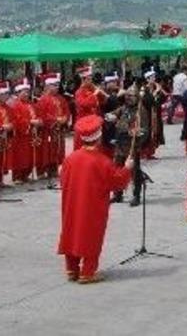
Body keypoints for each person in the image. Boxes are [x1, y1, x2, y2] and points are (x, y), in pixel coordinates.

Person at [57, 115, 133, 283]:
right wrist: (127, 168)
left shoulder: (71, 158)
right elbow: (118, 182)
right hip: (92, 206)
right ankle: (88, 272)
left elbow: (62, 180)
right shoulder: (102, 161)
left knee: (72, 231)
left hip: (72, 204)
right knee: (91, 235)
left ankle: (72, 269)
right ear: (98, 137)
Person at [108, 85, 148, 206]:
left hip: (132, 144)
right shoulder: (124, 108)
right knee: (117, 169)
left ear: (137, 97)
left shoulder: (141, 111)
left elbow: (145, 130)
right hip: (120, 144)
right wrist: (111, 116)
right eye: (127, 96)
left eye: (131, 96)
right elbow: (113, 114)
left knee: (134, 171)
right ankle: (117, 193)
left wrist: (136, 133)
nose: (129, 98)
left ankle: (136, 195)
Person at [36, 75, 71, 185]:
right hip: (48, 131)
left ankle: (54, 169)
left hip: (59, 129)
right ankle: (43, 171)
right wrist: (56, 120)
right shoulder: (43, 100)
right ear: (47, 86)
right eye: (54, 85)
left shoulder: (61, 98)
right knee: (47, 150)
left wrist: (65, 119)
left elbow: (67, 111)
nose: (56, 87)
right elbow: (42, 115)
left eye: (57, 85)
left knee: (58, 149)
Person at [10, 77, 42, 183]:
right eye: (24, 92)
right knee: (20, 156)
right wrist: (30, 122)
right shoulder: (15, 105)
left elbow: (36, 115)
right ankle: (18, 176)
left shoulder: (30, 104)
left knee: (29, 156)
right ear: (18, 92)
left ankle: (25, 175)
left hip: (30, 134)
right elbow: (17, 120)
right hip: (21, 136)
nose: (26, 94)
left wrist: (38, 121)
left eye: (27, 92)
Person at [72, 67, 102, 152]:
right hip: (83, 123)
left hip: (92, 121)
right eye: (89, 79)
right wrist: (94, 95)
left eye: (91, 79)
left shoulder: (91, 90)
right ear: (83, 80)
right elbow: (84, 104)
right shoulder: (79, 92)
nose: (91, 81)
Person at [0, 81, 15, 188]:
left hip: (4, 137)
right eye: (5, 94)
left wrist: (11, 126)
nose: (7, 96)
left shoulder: (8, 107)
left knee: (2, 159)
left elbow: (13, 119)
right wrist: (1, 127)